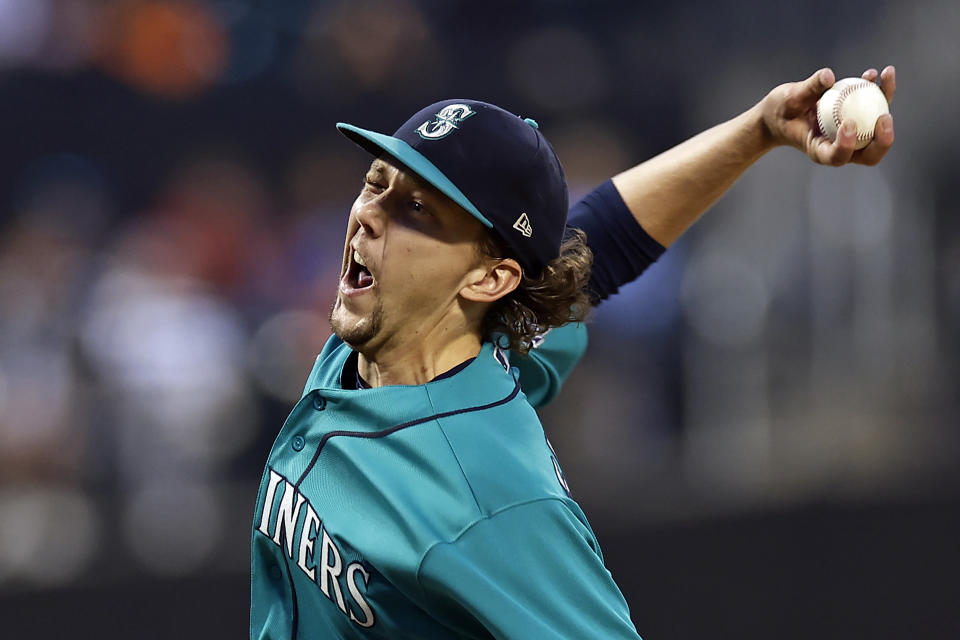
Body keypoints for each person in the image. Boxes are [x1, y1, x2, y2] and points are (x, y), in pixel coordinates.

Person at [249, 66, 896, 639]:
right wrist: (757, 131)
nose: (368, 215)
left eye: (416, 207)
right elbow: (603, 241)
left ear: (489, 278)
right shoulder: (452, 330)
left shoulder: (491, 503)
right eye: (376, 182)